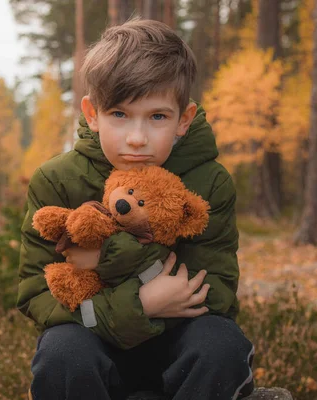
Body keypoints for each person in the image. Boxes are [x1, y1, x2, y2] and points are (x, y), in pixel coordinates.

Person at [17, 18, 255, 400]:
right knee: (62, 351)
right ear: (92, 114)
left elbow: (217, 289)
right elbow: (36, 292)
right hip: (95, 340)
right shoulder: (56, 180)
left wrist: (106, 268)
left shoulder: (210, 183)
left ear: (184, 119)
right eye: (119, 114)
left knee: (222, 345)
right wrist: (139, 304)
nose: (137, 138)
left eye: (157, 116)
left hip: (178, 342)